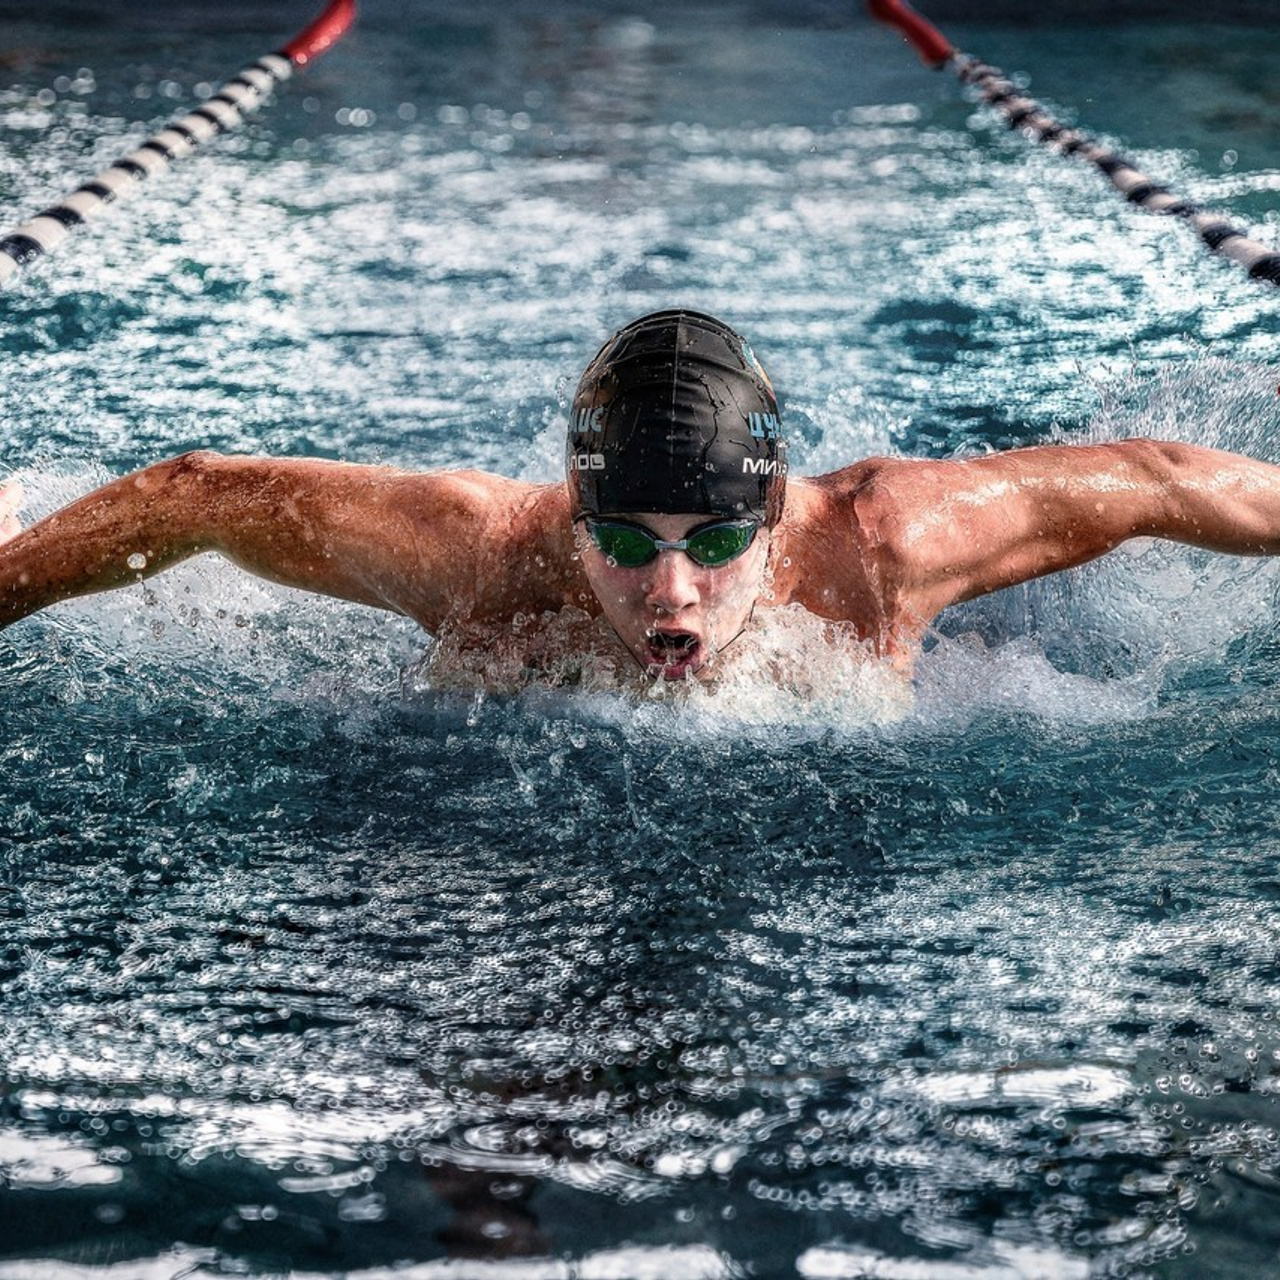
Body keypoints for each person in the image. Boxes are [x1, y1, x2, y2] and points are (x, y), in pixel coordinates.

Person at [1, 307, 1279, 685]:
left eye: (714, 540)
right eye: (623, 539)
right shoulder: (480, 555)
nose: (669, 588)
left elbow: (1159, 479)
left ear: (774, 516)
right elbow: (195, 494)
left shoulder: (880, 546)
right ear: (569, 517)